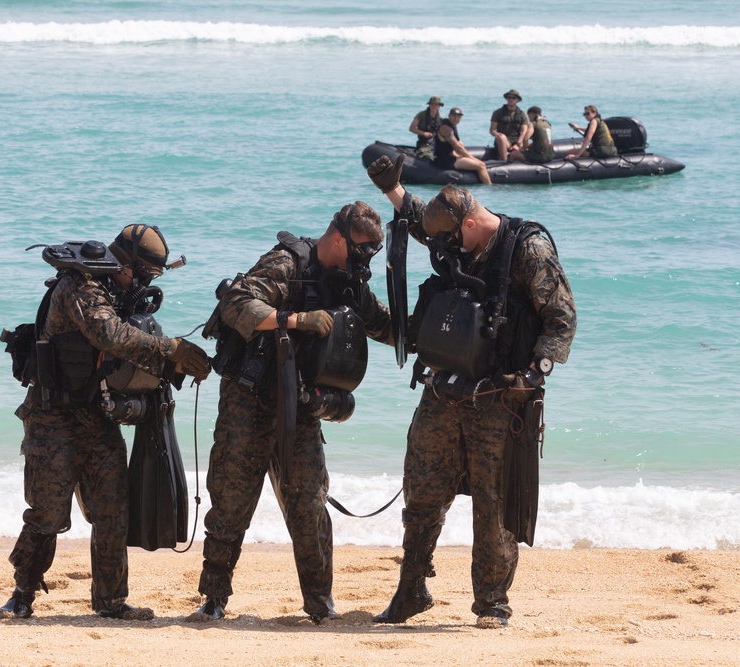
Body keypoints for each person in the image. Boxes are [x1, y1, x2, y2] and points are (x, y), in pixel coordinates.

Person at [366, 155, 576, 628]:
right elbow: (425, 223)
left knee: (493, 504)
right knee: (422, 488)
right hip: (445, 388)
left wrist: (536, 372)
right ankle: (411, 590)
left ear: (473, 222)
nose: (443, 248)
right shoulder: (454, 236)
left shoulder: (529, 250)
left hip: (502, 397)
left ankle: (492, 605)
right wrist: (393, 192)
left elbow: (561, 318)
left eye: (451, 237)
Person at [0, 224, 212, 621]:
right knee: (48, 514)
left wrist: (172, 368)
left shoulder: (118, 293)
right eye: (144, 273)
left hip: (97, 417)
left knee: (113, 511)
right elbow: (110, 334)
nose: (145, 282)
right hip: (53, 418)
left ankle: (111, 601)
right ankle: (22, 593)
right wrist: (170, 349)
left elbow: (130, 345)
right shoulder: (81, 286)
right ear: (124, 263)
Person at [191, 202, 393, 625]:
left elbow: (383, 324)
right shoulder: (286, 263)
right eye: (360, 250)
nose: (364, 261)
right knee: (231, 501)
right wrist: (296, 319)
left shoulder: (348, 281)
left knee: (309, 502)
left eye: (373, 253)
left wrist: (438, 341)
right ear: (338, 238)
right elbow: (236, 304)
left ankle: (320, 603)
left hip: (300, 404)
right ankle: (213, 598)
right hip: (250, 398)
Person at [434, 107, 492, 185]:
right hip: (445, 161)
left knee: (461, 143)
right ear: (449, 116)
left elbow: (455, 146)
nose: (456, 118)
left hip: (446, 156)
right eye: (454, 116)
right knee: (481, 165)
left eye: (458, 116)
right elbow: (458, 147)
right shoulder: (446, 129)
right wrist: (474, 159)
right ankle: (489, 186)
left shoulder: (450, 125)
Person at [490, 89, 531, 162]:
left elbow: (524, 131)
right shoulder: (498, 112)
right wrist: (499, 135)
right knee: (501, 138)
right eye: (509, 97)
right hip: (504, 140)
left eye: (513, 98)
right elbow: (492, 130)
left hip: (517, 140)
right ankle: (504, 160)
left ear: (517, 100)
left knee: (526, 144)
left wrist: (518, 144)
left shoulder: (522, 114)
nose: (511, 99)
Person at [409, 96, 444, 161]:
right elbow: (411, 128)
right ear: (429, 105)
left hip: (434, 144)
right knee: (428, 156)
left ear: (439, 106)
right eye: (432, 104)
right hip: (423, 143)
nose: (434, 106)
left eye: (436, 104)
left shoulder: (440, 119)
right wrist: (424, 133)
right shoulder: (421, 115)